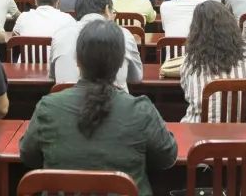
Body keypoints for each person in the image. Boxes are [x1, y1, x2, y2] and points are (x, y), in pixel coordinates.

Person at [22, 21, 175, 196]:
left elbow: (28, 156)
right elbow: (166, 158)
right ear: (120, 62)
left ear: (77, 60)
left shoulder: (48, 107)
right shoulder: (141, 110)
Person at [180, 1, 246, 123]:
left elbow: (187, 91)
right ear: (232, 24)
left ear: (195, 29)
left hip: (204, 133)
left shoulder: (192, 60)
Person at [51, 0, 142, 90]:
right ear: (107, 9)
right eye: (113, 11)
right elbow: (136, 78)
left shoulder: (60, 34)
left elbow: (53, 76)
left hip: (66, 99)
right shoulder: (124, 35)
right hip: (113, 99)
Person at [12, 0, 77, 37]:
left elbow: (14, 37)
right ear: (57, 3)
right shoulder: (68, 19)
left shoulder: (23, 17)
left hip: (27, 50)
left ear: (35, 1)